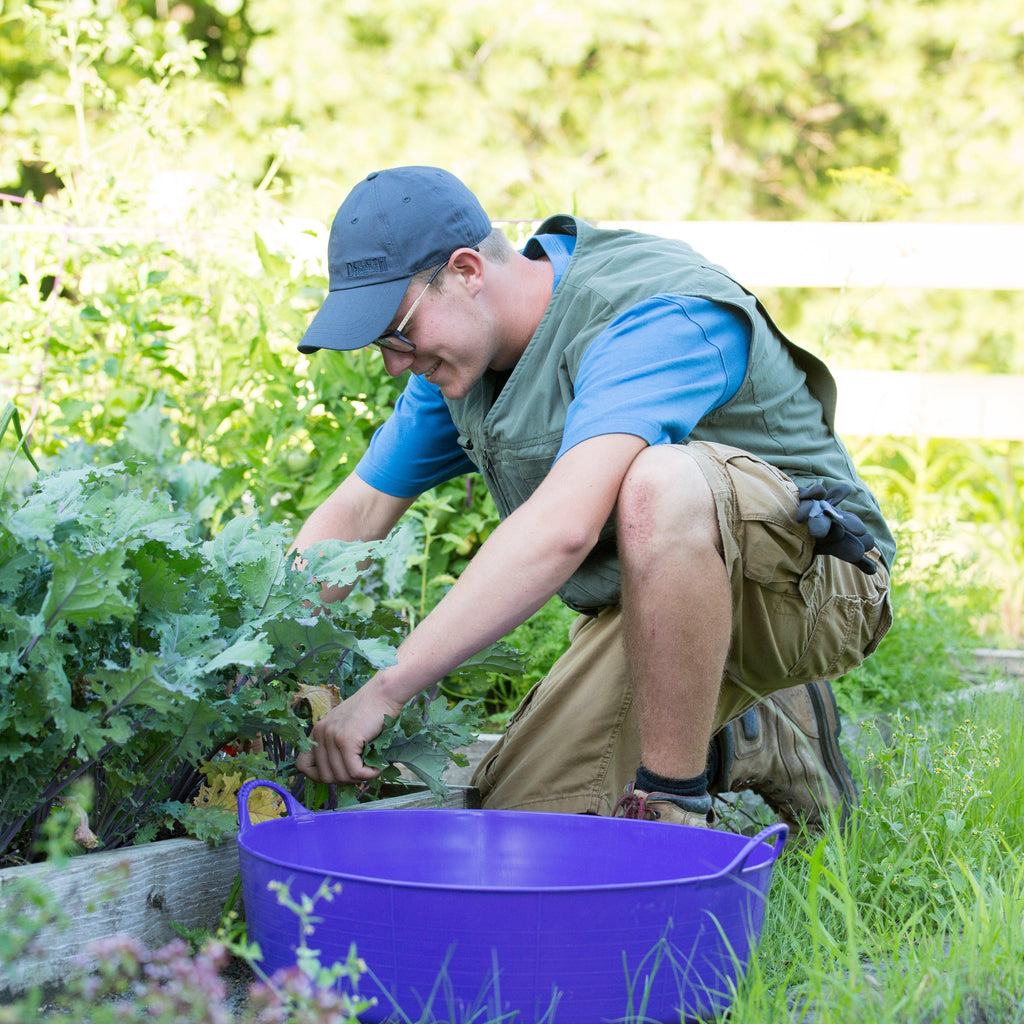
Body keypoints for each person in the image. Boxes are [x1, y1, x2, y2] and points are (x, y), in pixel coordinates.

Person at [291, 165, 894, 832]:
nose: (394, 362)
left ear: (466, 271)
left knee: (662, 480)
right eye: (383, 344)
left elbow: (562, 529)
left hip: (814, 586)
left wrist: (386, 688)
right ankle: (758, 731)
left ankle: (673, 809)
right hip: (659, 614)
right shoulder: (463, 365)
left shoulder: (650, 314)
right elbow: (358, 512)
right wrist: (262, 646)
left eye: (398, 331)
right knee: (525, 823)